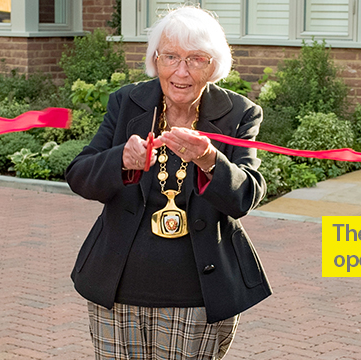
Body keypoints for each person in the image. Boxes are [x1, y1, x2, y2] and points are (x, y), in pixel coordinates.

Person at [65, 6, 270, 359]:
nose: (181, 71)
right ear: (155, 60)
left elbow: (246, 195)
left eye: (195, 59)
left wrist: (209, 160)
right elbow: (79, 175)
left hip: (196, 297)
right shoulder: (127, 103)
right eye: (171, 57)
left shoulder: (239, 113)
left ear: (214, 64)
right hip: (117, 290)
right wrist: (121, 161)